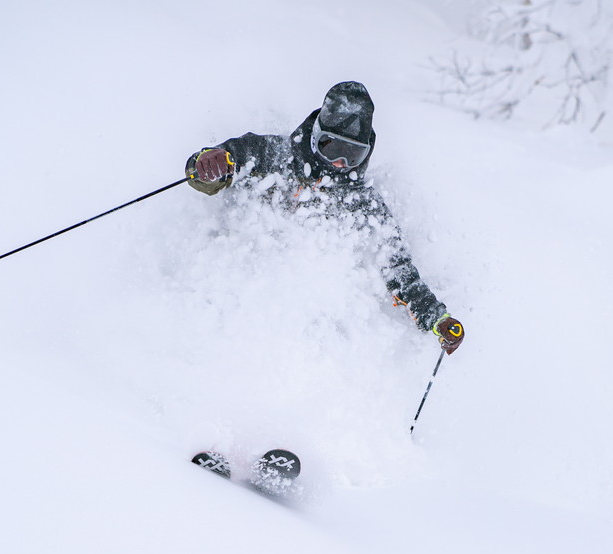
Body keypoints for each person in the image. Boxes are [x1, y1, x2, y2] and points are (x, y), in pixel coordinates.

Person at [184, 81, 465, 355]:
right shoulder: (273, 154)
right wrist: (208, 164)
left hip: (289, 325)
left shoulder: (363, 205)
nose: (340, 163)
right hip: (228, 284)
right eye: (333, 148)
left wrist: (436, 318)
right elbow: (210, 169)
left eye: (353, 154)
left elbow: (398, 269)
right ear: (316, 136)